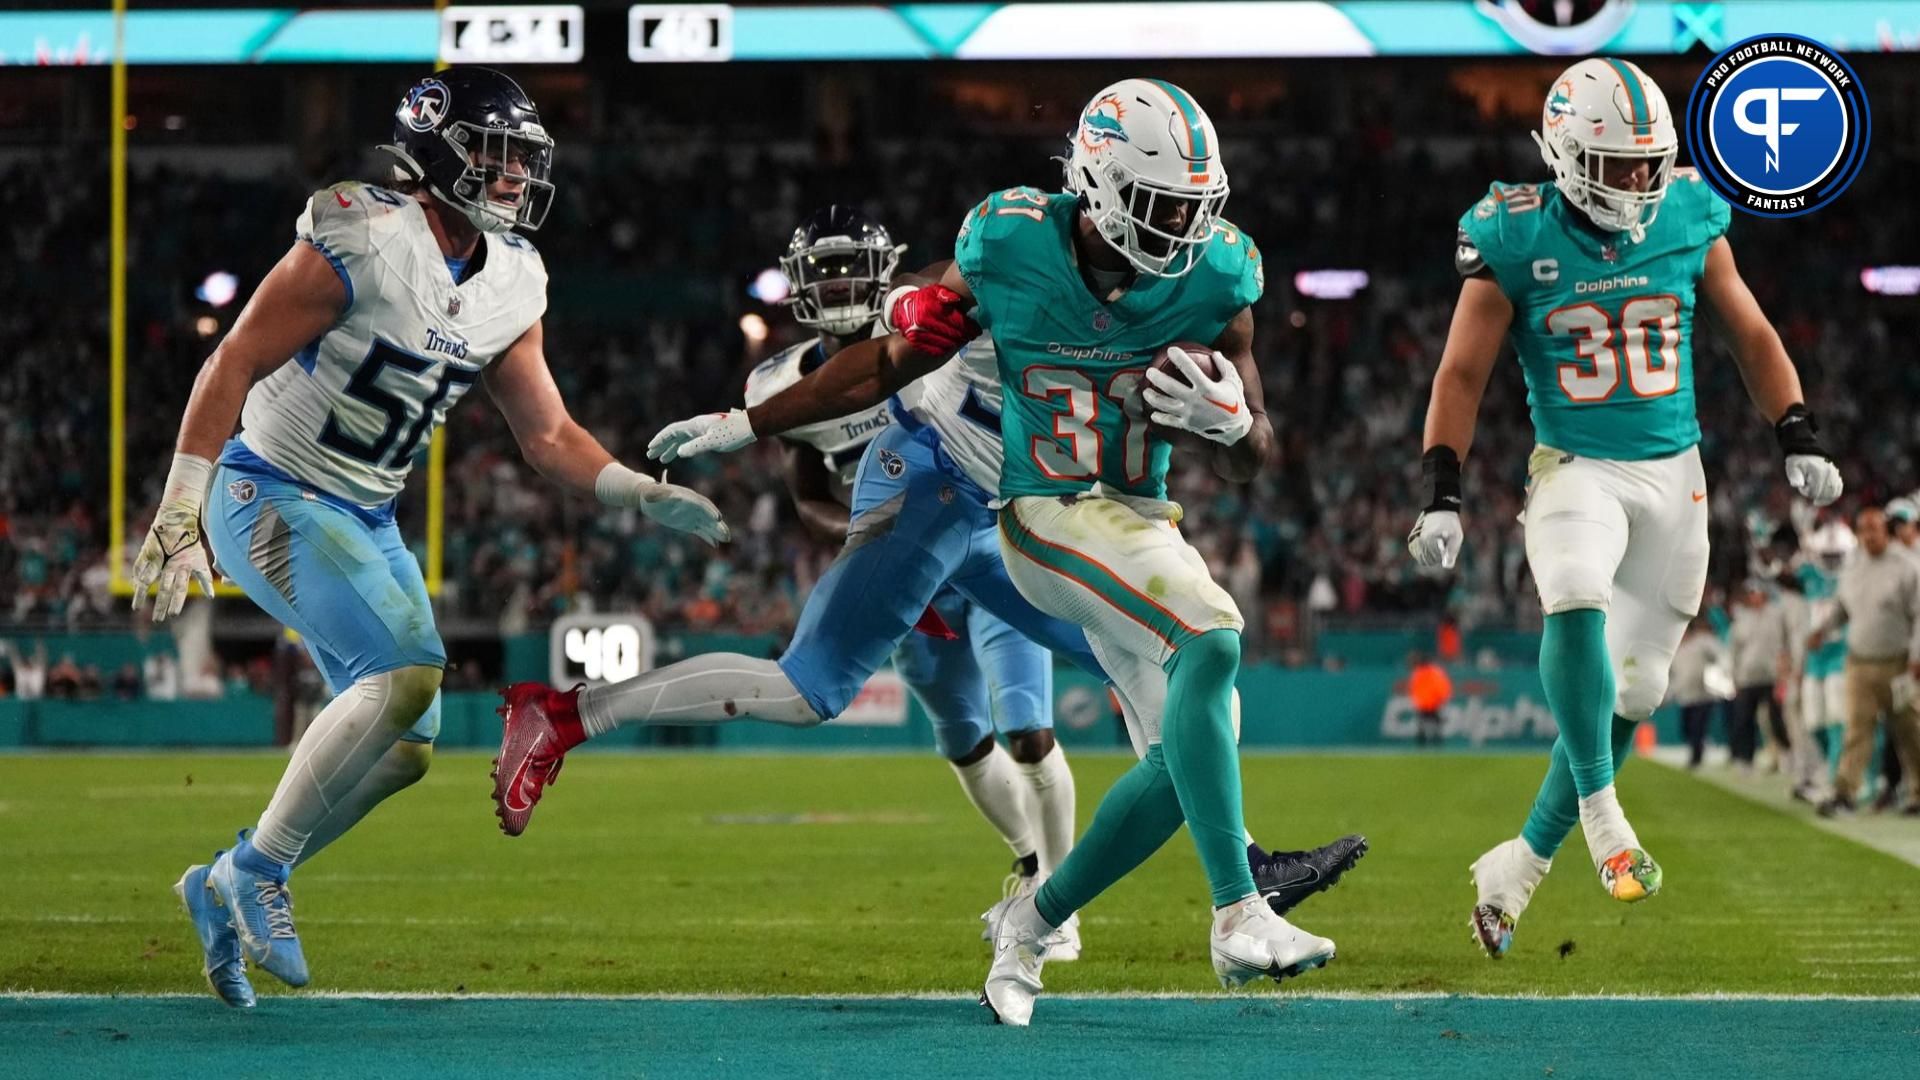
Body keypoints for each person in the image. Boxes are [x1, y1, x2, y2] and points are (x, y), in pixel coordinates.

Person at [488, 137, 1369, 994]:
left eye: (1189, 209)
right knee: (815, 691)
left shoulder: (1209, 274)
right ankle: (567, 714)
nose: (1178, 229)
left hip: (1058, 513)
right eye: (1158, 207)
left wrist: (1234, 428)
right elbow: (881, 371)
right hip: (943, 484)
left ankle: (1161, 892)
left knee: (1172, 704)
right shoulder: (1002, 252)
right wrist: (743, 424)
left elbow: (1254, 440)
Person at [131, 67, 728, 1010]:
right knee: (409, 669)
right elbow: (236, 356)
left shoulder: (516, 278)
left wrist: (636, 493)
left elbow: (549, 436)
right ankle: (259, 873)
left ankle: (223, 879)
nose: (514, 179)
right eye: (497, 158)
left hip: (364, 516)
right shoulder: (362, 233)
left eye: (523, 162)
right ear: (440, 149)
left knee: (409, 744)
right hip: (269, 489)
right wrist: (180, 507)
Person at [1404, 58, 1844, 958]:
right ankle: (1603, 815)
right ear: (1566, 156)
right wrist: (1442, 489)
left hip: (1674, 477)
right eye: (1622, 166)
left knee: (1637, 690)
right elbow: (1461, 371)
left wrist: (1795, 429)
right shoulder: (1512, 230)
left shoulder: (1686, 213)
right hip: (1576, 467)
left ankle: (1518, 868)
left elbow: (1750, 331)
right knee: (1572, 587)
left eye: (1652, 163)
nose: (1642, 183)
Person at [757, 206, 1085, 953]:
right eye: (826, 269)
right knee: (965, 741)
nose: (841, 284)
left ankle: (1060, 905)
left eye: (852, 268)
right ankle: (1031, 865)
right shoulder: (785, 379)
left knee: (1029, 731)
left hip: (989, 537)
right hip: (910, 573)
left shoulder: (929, 322)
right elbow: (806, 494)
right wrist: (883, 548)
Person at [1810, 507, 1920, 817]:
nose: (1869, 535)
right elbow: (1842, 610)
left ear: (1886, 531)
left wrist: (1917, 655)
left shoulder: (1907, 567)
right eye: (1864, 530)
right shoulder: (1852, 570)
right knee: (1856, 730)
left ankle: (1918, 793)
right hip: (1859, 663)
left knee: (1910, 732)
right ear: (1858, 533)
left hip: (1897, 663)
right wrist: (1822, 631)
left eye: (1875, 529)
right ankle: (1845, 794)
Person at [1726, 579, 1789, 772]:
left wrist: (1784, 674)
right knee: (1744, 720)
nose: (1754, 596)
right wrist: (1734, 678)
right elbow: (1735, 652)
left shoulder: (1777, 615)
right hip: (1747, 678)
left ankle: (1787, 756)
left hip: (1772, 676)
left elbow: (1786, 644)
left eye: (1757, 592)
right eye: (1750, 593)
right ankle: (1746, 759)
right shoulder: (1741, 620)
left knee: (1777, 719)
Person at [1668, 618, 1726, 769]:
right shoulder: (1676, 650)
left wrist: (1717, 676)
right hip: (1685, 697)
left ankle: (1696, 758)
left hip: (1703, 695)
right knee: (1687, 729)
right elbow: (1674, 675)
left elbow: (1720, 655)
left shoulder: (1702, 643)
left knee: (1697, 727)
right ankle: (1698, 748)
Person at [1407, 651, 1453, 747]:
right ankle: (1428, 745)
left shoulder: (1426, 672)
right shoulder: (1424, 672)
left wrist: (1442, 697)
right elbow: (1415, 688)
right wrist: (1443, 698)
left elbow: (1441, 686)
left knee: (1431, 725)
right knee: (1428, 726)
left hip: (1430, 703)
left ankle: (1432, 745)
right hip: (1428, 703)